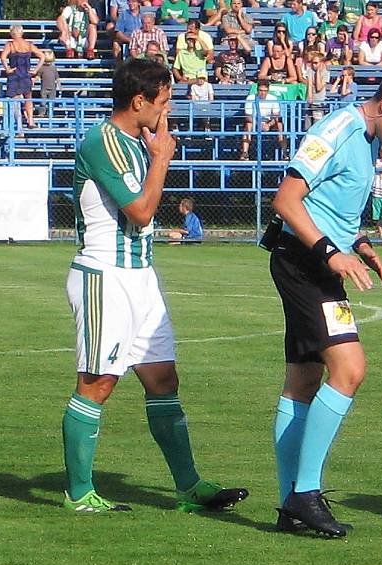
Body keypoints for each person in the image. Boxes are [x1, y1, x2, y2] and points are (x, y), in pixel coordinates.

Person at [64, 59, 248, 514]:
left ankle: (189, 487)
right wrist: (162, 158)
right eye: (163, 102)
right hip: (104, 275)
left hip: (141, 276)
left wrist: (155, 155)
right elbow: (142, 212)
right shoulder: (101, 142)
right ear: (139, 101)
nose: (167, 112)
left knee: (163, 379)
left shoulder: (133, 143)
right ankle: (79, 492)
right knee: (98, 382)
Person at [267, 66, 382, 536]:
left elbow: (328, 204)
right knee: (350, 369)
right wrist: (330, 252)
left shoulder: (365, 141)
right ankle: (305, 492)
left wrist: (358, 243)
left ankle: (290, 503)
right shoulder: (337, 130)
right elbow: (287, 200)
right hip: (305, 265)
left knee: (303, 380)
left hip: (319, 264)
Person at [0, 24, 45, 134]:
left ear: (12, 33)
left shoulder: (10, 45)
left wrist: (7, 69)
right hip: (26, 74)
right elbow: (42, 56)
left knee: (16, 101)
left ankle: (20, 128)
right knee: (28, 98)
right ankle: (30, 121)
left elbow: (3, 57)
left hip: (15, 75)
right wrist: (35, 70)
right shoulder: (28, 44)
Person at [240, 79, 286, 159]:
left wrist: (268, 124)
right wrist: (258, 124)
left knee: (280, 125)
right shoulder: (250, 98)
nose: (263, 93)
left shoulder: (273, 98)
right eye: (261, 90)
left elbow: (276, 116)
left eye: (265, 91)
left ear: (268, 90)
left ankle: (284, 153)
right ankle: (245, 153)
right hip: (254, 121)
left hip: (269, 122)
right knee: (248, 125)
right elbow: (248, 116)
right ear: (257, 90)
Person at [303, 52, 330, 127]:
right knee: (307, 125)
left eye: (316, 63)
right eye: (312, 63)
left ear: (322, 63)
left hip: (319, 102)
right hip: (310, 101)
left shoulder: (326, 73)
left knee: (317, 124)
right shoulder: (310, 71)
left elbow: (319, 87)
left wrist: (318, 72)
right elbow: (310, 85)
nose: (313, 65)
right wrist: (309, 97)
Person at [36, 50, 60, 119]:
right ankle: (42, 113)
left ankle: (50, 113)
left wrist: (59, 85)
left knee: (52, 101)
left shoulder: (53, 68)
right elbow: (38, 76)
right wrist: (34, 80)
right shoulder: (41, 68)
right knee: (43, 101)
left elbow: (57, 77)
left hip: (52, 87)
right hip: (44, 87)